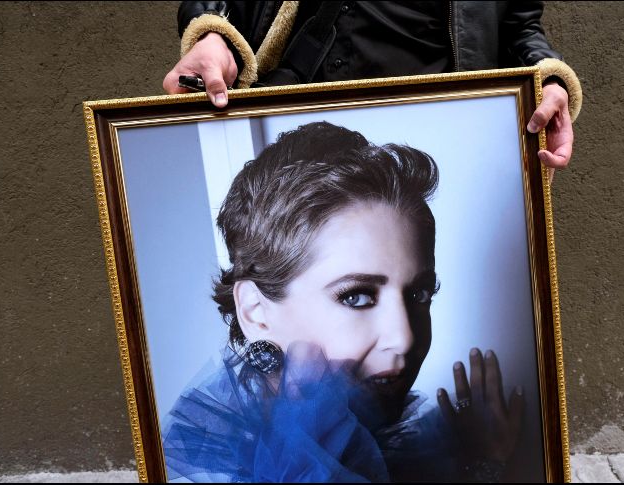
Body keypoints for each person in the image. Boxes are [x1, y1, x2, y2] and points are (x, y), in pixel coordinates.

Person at [161, 122, 526, 482]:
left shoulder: (366, 444)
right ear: (255, 311)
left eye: (419, 294)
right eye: (357, 296)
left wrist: (485, 460)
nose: (404, 338)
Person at [163, 1, 582, 177]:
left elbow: (520, 28)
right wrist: (211, 35)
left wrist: (549, 80)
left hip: (440, 132)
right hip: (297, 121)